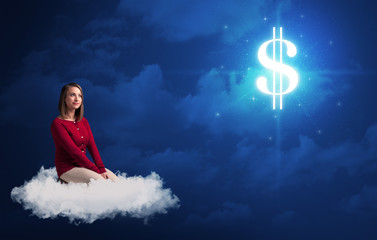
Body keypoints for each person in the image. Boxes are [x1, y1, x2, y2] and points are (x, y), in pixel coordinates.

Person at [51, 82, 118, 184]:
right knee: (101, 183)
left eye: (80, 96)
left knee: (116, 182)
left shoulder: (83, 121)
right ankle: (63, 181)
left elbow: (92, 146)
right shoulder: (58, 124)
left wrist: (101, 169)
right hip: (67, 168)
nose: (77, 99)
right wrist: (96, 171)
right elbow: (73, 151)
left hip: (83, 165)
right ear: (64, 98)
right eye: (72, 95)